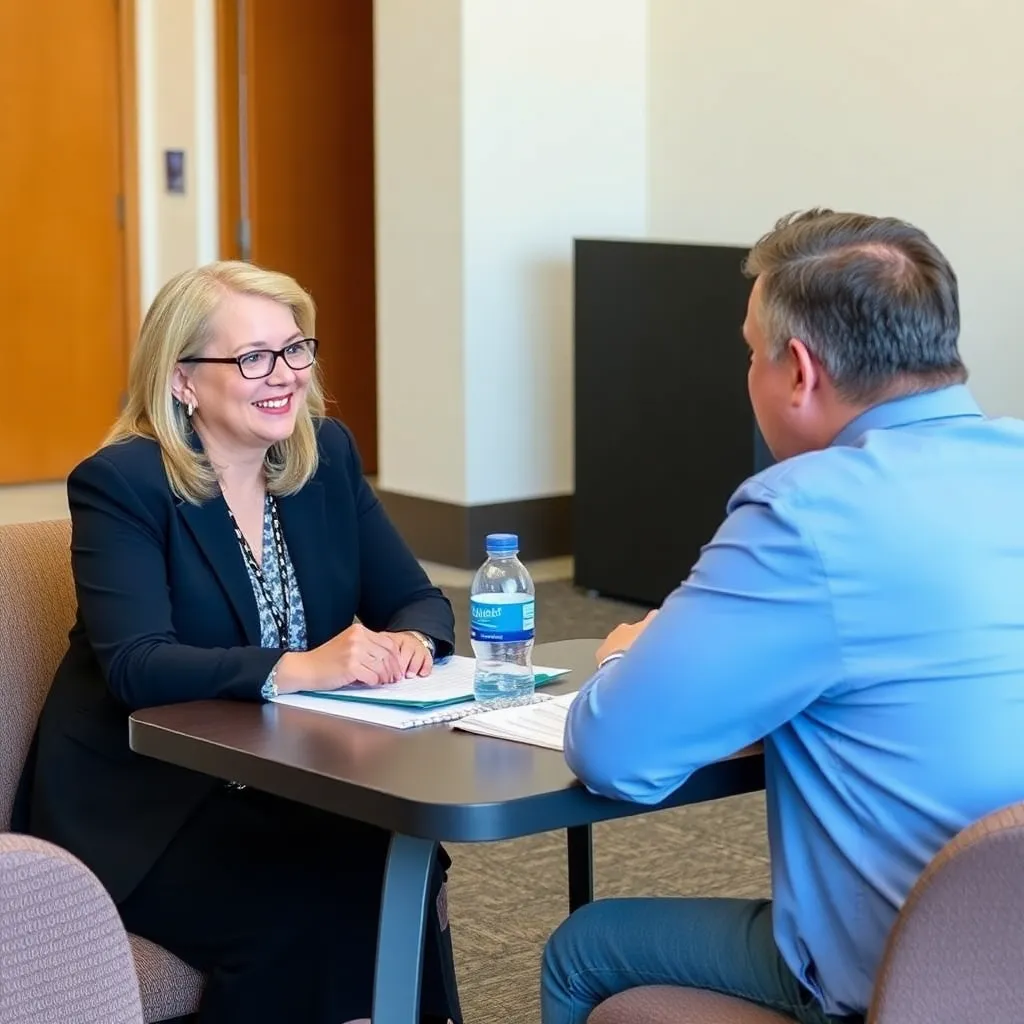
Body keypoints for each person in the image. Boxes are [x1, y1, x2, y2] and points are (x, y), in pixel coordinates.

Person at [540, 210, 1024, 1024]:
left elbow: (615, 753)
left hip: (907, 968)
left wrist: (631, 653)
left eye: (749, 352)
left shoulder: (808, 510)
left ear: (797, 370)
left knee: (584, 948)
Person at [13, 261, 462, 1024]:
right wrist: (299, 667)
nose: (283, 376)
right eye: (252, 358)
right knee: (296, 910)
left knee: (397, 866)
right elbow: (136, 663)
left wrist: (411, 642)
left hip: (280, 778)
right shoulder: (123, 484)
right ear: (183, 379)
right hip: (145, 803)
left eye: (295, 350)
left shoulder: (323, 461)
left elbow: (418, 600)